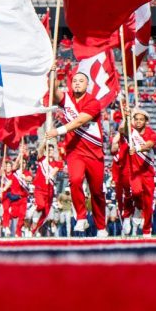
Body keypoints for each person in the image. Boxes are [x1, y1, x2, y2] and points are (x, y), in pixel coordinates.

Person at [45, 72, 108, 237]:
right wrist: (53, 73)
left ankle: (101, 227)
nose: (77, 83)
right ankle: (81, 217)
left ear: (87, 85)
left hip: (94, 152)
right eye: (74, 81)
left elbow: (80, 121)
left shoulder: (93, 102)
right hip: (75, 151)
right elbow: (53, 91)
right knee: (74, 180)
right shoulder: (67, 98)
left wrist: (58, 131)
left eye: (81, 81)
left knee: (97, 192)